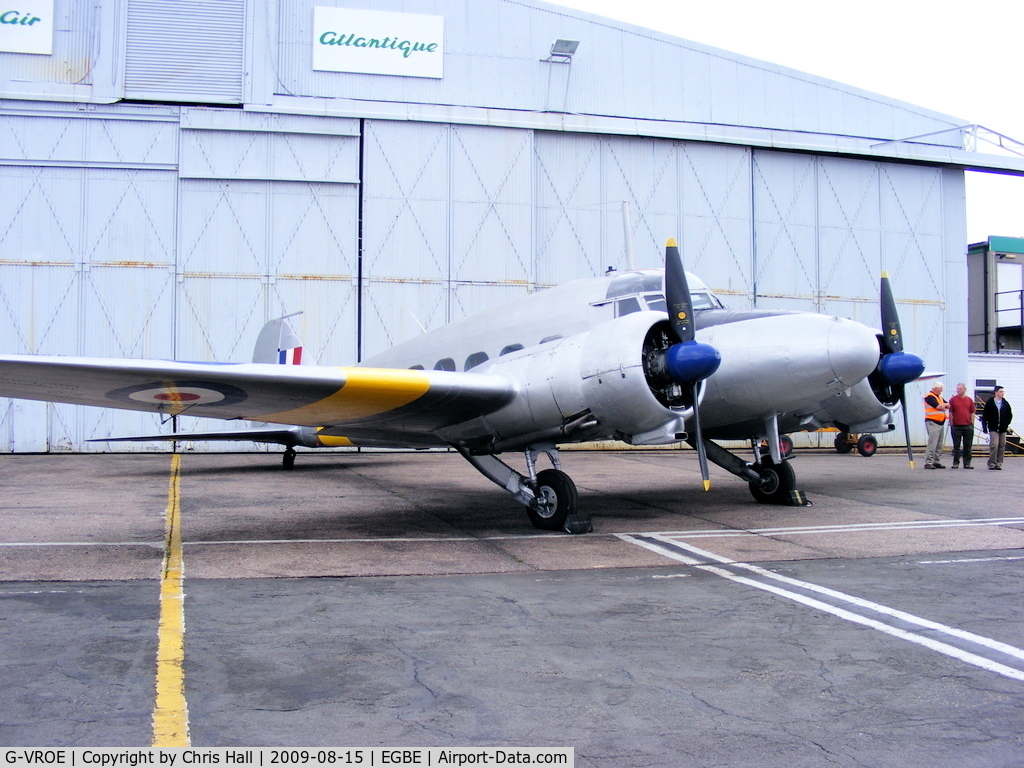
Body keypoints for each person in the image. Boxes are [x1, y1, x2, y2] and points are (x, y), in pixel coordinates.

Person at [982, 386, 1013, 470]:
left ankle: (999, 463)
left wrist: (1006, 424)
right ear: (996, 392)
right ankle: (992, 463)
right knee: (994, 445)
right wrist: (984, 426)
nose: (1002, 393)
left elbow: (1009, 415)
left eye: (1003, 391)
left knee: (1002, 445)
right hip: (993, 427)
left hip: (1002, 428)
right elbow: (985, 415)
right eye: (1000, 391)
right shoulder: (990, 403)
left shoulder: (1005, 403)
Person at [948, 382, 976, 469]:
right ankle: (956, 462)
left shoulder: (969, 400)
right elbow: (950, 412)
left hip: (967, 426)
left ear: (964, 389)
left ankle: (967, 463)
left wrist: (972, 424)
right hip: (956, 426)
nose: (958, 390)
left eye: (960, 389)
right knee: (956, 446)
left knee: (968, 446)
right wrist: (951, 423)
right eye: (957, 389)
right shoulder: (953, 400)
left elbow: (972, 412)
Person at [923, 382, 949, 469]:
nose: (942, 390)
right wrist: (943, 406)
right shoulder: (929, 397)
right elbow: (938, 407)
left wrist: (944, 405)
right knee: (932, 443)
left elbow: (948, 405)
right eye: (941, 388)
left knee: (939, 443)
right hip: (932, 422)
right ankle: (928, 462)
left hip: (940, 422)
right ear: (936, 388)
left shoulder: (939, 397)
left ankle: (936, 461)